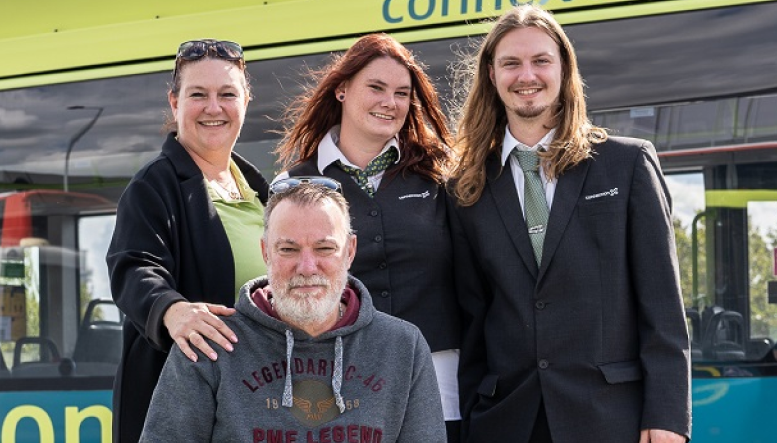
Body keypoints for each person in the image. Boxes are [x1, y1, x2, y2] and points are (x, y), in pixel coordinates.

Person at [446, 5, 690, 442]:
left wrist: (668, 417)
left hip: (612, 419)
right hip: (505, 422)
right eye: (511, 63)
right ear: (491, 74)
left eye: (541, 60)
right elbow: (473, 318)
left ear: (564, 68)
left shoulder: (626, 164)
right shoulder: (467, 187)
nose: (527, 75)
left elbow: (663, 308)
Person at [141, 178, 446, 442]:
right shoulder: (209, 343)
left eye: (324, 249)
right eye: (288, 249)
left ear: (350, 251)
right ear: (265, 252)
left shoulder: (403, 347)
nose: (307, 267)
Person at [274, 32, 467, 440]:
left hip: (440, 384)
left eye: (401, 93)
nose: (389, 102)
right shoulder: (294, 184)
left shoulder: (438, 177)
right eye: (375, 87)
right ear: (342, 90)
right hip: (337, 386)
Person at [107, 38, 271, 442]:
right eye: (199, 94)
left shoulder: (259, 189)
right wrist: (172, 310)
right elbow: (133, 267)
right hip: (185, 410)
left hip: (256, 405)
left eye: (227, 94)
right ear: (175, 102)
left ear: (246, 101)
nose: (214, 108)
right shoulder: (155, 184)